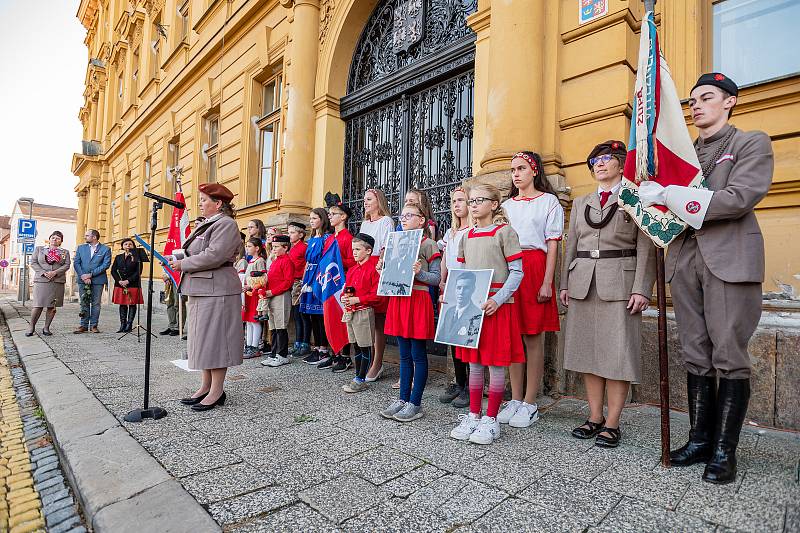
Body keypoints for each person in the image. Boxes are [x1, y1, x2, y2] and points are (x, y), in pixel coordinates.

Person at [638, 73, 774, 484]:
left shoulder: (750, 142)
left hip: (729, 257)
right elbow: (666, 209)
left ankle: (723, 451)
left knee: (729, 353)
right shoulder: (683, 154)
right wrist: (652, 197)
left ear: (729, 102)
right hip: (685, 257)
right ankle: (699, 440)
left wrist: (672, 196)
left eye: (706, 98)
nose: (695, 106)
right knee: (695, 351)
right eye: (691, 100)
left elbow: (739, 198)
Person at [559, 140, 655, 448]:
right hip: (583, 281)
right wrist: (564, 283)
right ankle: (594, 416)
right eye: (595, 160)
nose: (599, 164)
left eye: (607, 159)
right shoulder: (582, 201)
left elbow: (646, 245)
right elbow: (570, 245)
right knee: (588, 352)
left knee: (617, 354)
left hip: (620, 282)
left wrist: (642, 288)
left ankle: (613, 422)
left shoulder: (636, 198)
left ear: (620, 164)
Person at [449, 183, 524, 445]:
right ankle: (473, 413)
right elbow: (461, 273)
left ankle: (491, 418)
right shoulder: (466, 236)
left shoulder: (505, 232)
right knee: (475, 362)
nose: (473, 205)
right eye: (471, 201)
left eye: (479, 200)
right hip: (472, 307)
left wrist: (498, 299)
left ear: (494, 204)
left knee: (495, 362)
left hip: (496, 306)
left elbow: (517, 272)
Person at [497, 151, 564, 428]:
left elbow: (552, 244)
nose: (516, 174)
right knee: (512, 334)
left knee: (533, 336)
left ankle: (530, 401)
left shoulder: (549, 202)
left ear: (534, 170)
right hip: (509, 266)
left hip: (535, 266)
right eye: (513, 169)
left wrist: (547, 280)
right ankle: (515, 397)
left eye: (521, 168)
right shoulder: (506, 205)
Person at [170, 183, 243, 412]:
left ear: (218, 203)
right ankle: (205, 386)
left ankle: (217, 391)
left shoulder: (226, 224)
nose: (200, 204)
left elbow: (215, 255)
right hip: (202, 288)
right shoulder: (207, 224)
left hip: (218, 289)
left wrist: (183, 263)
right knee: (202, 341)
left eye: (203, 200)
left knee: (216, 341)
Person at [379, 203, 441, 423]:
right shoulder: (395, 243)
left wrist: (420, 273)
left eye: (409, 215)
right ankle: (402, 399)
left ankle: (415, 403)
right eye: (402, 216)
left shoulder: (429, 244)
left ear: (422, 220)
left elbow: (436, 278)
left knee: (417, 353)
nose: (403, 219)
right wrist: (383, 269)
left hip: (418, 299)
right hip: (399, 299)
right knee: (403, 354)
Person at [437, 187, 471, 407]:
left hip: (466, 285)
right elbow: (445, 258)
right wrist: (441, 280)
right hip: (449, 286)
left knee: (467, 338)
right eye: (454, 201)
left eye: (461, 200)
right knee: (451, 337)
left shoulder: (473, 229)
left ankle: (470, 385)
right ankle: (459, 382)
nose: (457, 205)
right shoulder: (451, 232)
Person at [358, 188, 394, 381]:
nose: (365, 202)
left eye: (369, 199)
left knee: (379, 320)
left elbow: (387, 247)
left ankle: (378, 362)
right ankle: (366, 358)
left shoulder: (386, 221)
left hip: (378, 268)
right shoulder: (365, 223)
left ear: (379, 201)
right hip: (364, 269)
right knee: (366, 318)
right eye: (364, 199)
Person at [340, 233, 382, 393]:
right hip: (351, 312)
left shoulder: (373, 270)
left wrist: (358, 299)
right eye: (353, 249)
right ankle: (357, 375)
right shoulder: (351, 270)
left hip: (364, 312)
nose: (354, 252)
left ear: (369, 251)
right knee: (355, 345)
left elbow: (377, 295)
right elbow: (347, 288)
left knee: (365, 346)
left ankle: (361, 379)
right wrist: (345, 297)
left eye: (358, 249)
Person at [321, 199, 356, 371]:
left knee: (342, 318)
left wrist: (338, 260)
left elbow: (353, 260)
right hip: (329, 283)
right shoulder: (329, 239)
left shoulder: (348, 237)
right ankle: (334, 352)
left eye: (333, 214)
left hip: (341, 283)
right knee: (330, 318)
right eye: (329, 214)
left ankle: (345, 355)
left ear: (343, 217)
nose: (330, 216)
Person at [299, 208, 334, 365]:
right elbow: (307, 261)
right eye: (310, 218)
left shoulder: (327, 238)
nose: (311, 221)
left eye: (314, 218)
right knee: (311, 315)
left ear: (323, 219)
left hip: (319, 277)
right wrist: (304, 280)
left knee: (320, 315)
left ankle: (324, 349)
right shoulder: (312, 238)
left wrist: (316, 280)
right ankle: (317, 348)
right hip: (309, 276)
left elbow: (326, 260)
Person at [27, 231, 71, 336]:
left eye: (58, 238)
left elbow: (67, 265)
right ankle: (31, 327)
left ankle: (46, 328)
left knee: (52, 306)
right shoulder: (39, 249)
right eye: (53, 237)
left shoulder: (64, 252)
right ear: (49, 239)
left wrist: (55, 272)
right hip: (42, 280)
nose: (55, 239)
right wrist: (44, 273)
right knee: (38, 305)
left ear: (61, 242)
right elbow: (33, 262)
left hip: (57, 281)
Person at [261, 235, 295, 367]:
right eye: (273, 247)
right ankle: (274, 353)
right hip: (272, 296)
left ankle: (282, 355)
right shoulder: (276, 260)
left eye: (276, 247)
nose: (273, 249)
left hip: (281, 296)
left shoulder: (287, 261)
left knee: (281, 326)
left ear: (285, 247)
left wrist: (272, 291)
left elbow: (288, 282)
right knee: (273, 327)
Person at [73, 229, 112, 333]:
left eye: (87, 235)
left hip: (98, 280)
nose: (85, 237)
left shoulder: (105, 249)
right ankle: (83, 325)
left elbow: (106, 265)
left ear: (94, 237)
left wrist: (91, 275)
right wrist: (83, 276)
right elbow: (76, 263)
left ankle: (94, 325)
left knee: (96, 303)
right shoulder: (81, 248)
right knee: (84, 302)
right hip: (83, 280)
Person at [437, 271, 482, 347]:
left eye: (466, 288)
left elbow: (471, 341)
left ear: (473, 289)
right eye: (459, 288)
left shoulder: (476, 314)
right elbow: (441, 336)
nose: (461, 292)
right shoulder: (450, 311)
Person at [110, 238, 144, 333]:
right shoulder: (118, 257)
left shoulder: (137, 257)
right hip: (120, 284)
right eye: (125, 244)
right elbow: (113, 270)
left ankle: (129, 324)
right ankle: (122, 324)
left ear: (133, 246)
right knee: (122, 304)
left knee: (132, 304)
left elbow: (138, 272)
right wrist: (119, 280)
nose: (128, 245)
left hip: (132, 284)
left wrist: (128, 281)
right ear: (122, 246)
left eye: (130, 244)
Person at [242, 238, 268, 358]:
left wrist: (250, 286)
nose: (247, 248)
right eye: (246, 246)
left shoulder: (260, 260)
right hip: (248, 294)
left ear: (257, 248)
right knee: (249, 321)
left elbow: (263, 279)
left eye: (249, 246)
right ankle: (248, 345)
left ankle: (255, 346)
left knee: (255, 320)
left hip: (256, 294)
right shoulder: (251, 260)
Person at [286, 221, 310, 356]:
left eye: (292, 233)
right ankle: (298, 342)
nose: (290, 235)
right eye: (289, 233)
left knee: (302, 314)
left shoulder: (303, 248)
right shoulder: (292, 248)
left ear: (300, 234)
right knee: (296, 315)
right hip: (292, 282)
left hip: (300, 282)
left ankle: (305, 343)